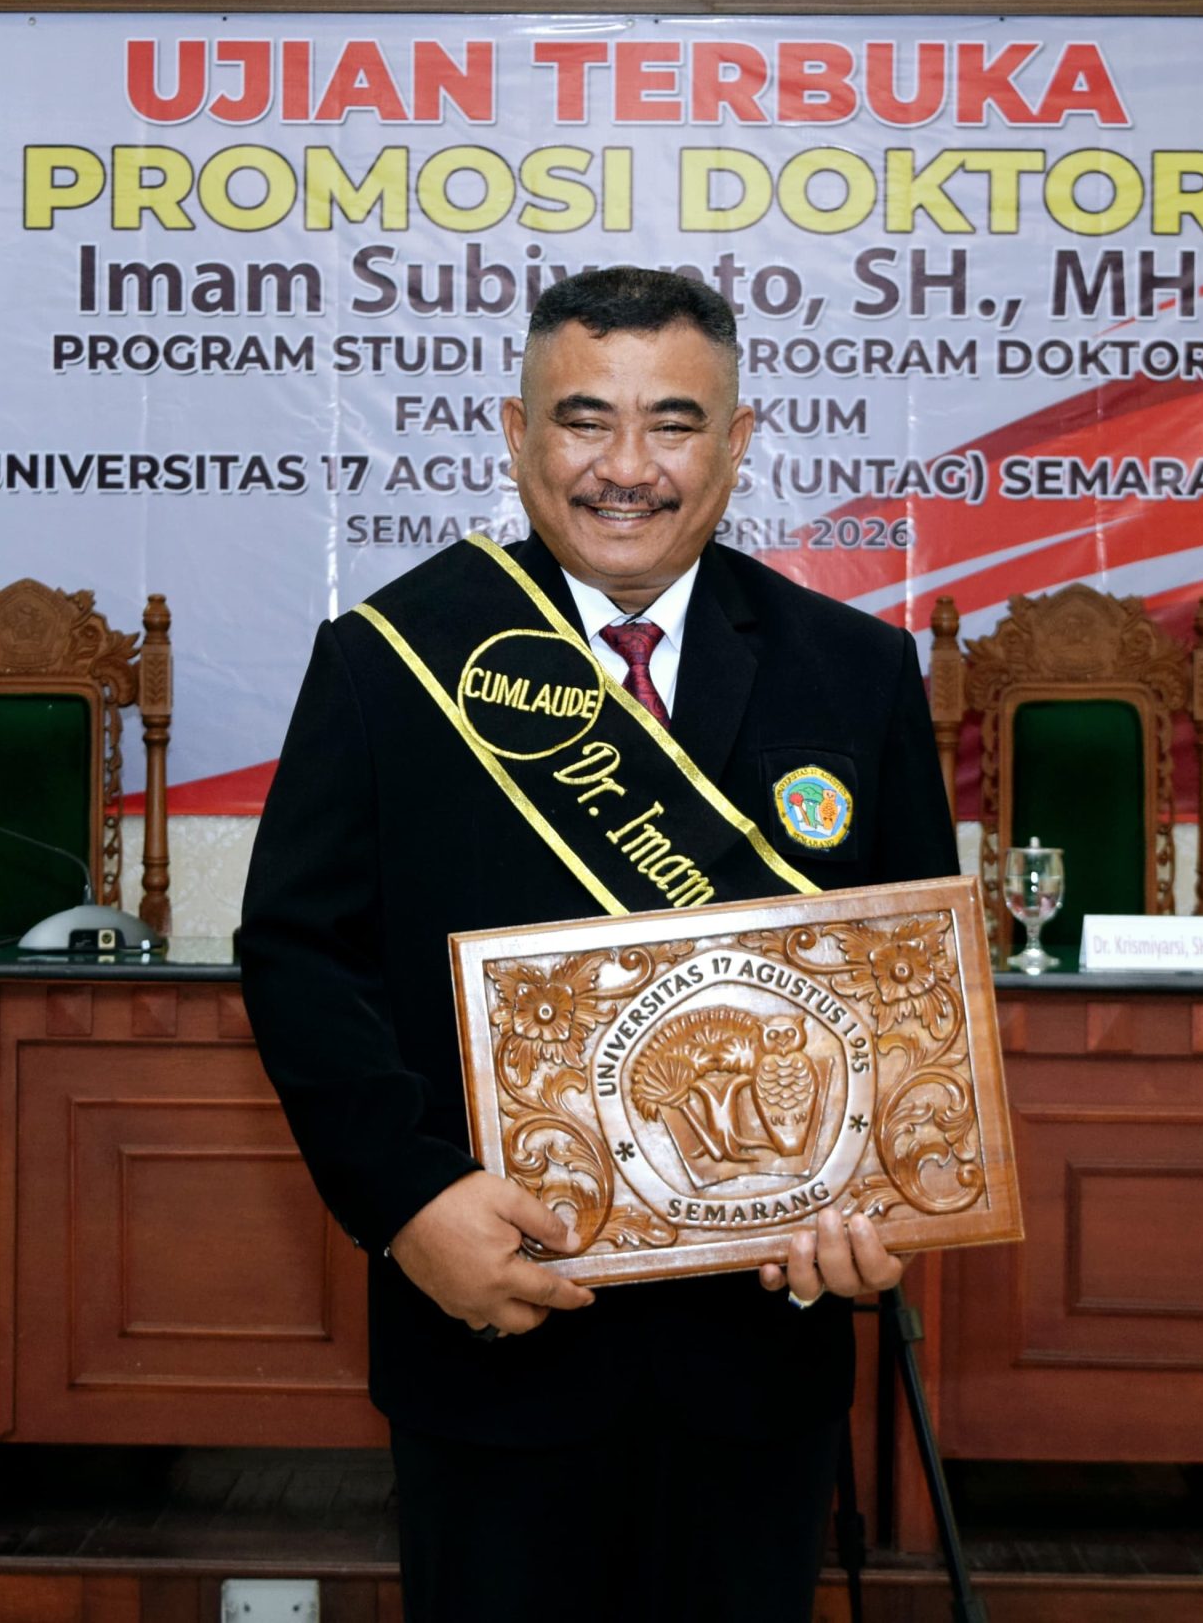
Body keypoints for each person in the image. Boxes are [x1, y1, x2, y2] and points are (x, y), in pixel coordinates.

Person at [236, 266, 958, 1621]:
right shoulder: (393, 660)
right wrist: (409, 1203)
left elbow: (909, 991)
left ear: (737, 445)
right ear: (518, 435)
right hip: (497, 1335)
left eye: (674, 424)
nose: (627, 468)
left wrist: (884, 1204)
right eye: (584, 420)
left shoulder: (853, 672)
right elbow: (297, 955)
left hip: (761, 1348)